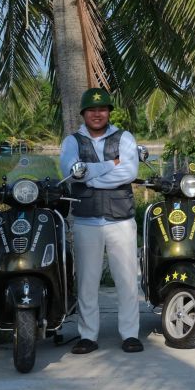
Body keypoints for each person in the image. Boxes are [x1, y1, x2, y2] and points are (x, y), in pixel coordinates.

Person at [59, 88, 142, 354]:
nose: (97, 113)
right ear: (83, 113)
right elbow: (72, 175)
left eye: (102, 109)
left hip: (121, 219)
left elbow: (129, 172)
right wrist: (110, 164)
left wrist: (90, 174)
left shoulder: (124, 137)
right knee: (86, 281)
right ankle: (88, 336)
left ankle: (130, 334)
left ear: (108, 112)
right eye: (92, 109)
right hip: (86, 219)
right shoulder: (72, 141)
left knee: (127, 279)